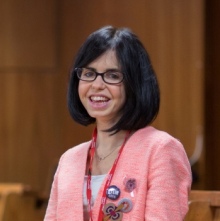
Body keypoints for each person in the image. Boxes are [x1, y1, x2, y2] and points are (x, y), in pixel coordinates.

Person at [44, 26, 192, 221]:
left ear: (135, 84)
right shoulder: (69, 160)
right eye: (89, 74)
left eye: (112, 75)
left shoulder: (161, 150)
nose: (97, 85)